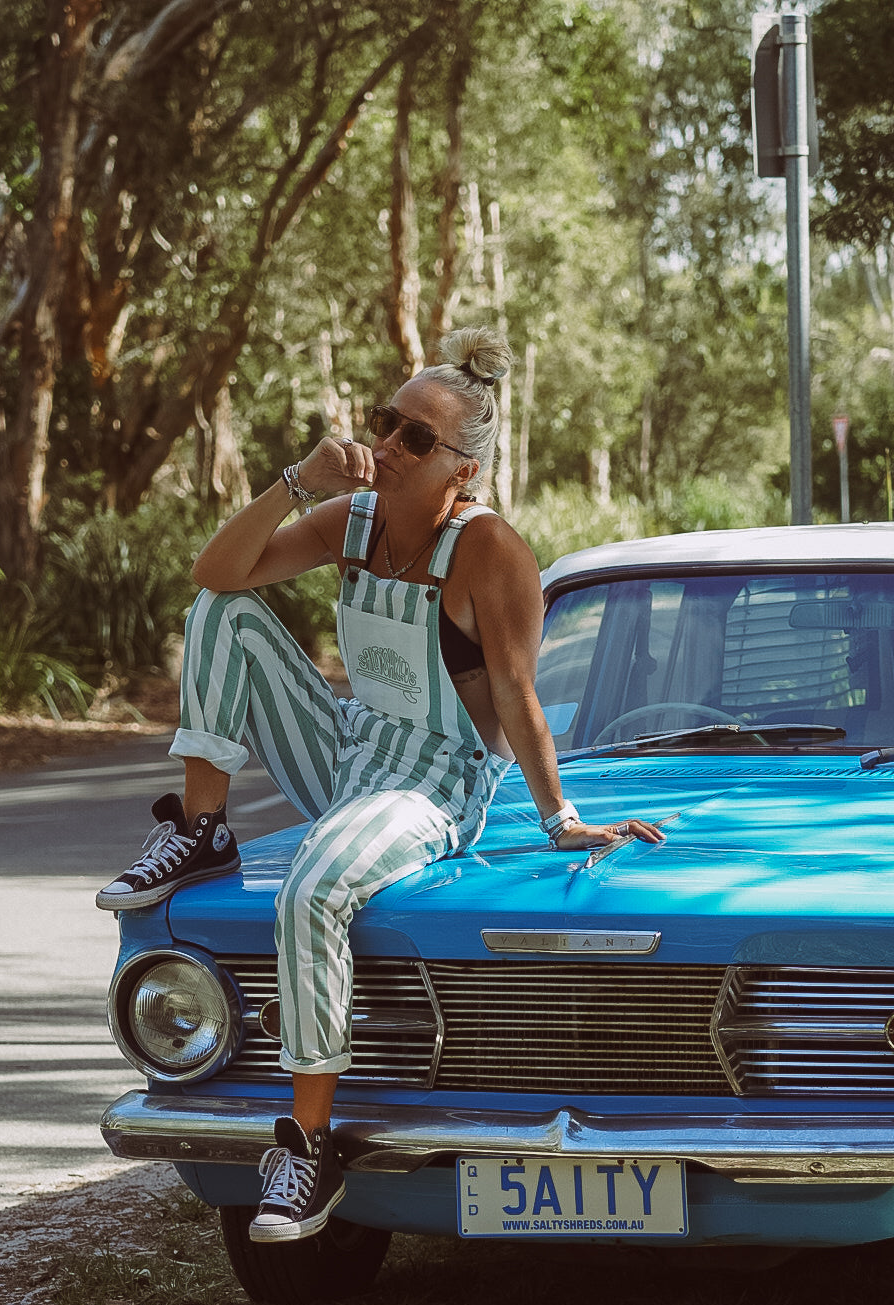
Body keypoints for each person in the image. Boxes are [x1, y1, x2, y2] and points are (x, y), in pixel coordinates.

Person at [97, 327, 664, 1245]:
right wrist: (297, 482)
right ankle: (202, 827)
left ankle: (308, 1146)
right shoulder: (349, 520)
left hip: (434, 777)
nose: (389, 444)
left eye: (416, 438)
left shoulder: (488, 549)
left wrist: (561, 818)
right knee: (221, 609)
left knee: (312, 887)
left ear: (462, 471)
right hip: (350, 747)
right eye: (385, 422)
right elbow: (215, 571)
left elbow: (517, 694)